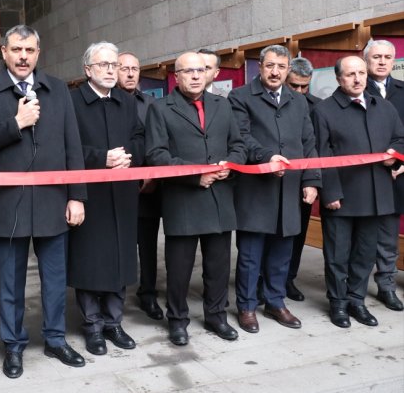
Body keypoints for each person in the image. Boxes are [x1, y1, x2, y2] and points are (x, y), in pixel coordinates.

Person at [0, 25, 86, 378]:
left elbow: (72, 148)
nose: (23, 57)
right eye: (16, 49)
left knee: (54, 277)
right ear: (3, 52)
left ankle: (56, 339)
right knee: (12, 281)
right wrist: (15, 123)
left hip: (52, 201)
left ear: (38, 53)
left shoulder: (58, 89)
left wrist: (77, 196)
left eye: (29, 50)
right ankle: (13, 346)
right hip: (10, 205)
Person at [146, 52, 246, 346]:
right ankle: (177, 320)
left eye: (200, 70)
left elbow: (238, 145)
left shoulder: (222, 105)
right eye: (187, 71)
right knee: (179, 269)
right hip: (183, 200)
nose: (195, 76)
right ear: (176, 77)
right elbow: (156, 155)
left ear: (208, 74)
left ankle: (217, 316)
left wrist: (230, 164)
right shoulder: (161, 108)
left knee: (218, 267)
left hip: (219, 198)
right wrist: (194, 176)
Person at [229, 45, 320, 334]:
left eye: (281, 66)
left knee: (282, 252)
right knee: (251, 254)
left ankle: (275, 301)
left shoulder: (298, 100)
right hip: (256, 189)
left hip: (290, 189)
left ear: (287, 68)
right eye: (270, 66)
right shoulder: (240, 97)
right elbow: (241, 138)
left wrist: (311, 180)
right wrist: (267, 156)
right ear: (260, 66)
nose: (275, 71)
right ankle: (246, 306)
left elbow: (309, 143)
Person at [313, 55, 404, 328]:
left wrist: (395, 156)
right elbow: (321, 154)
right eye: (351, 74)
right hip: (342, 196)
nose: (357, 79)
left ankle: (357, 300)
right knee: (338, 256)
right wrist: (329, 193)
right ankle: (338, 304)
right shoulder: (324, 111)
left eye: (361, 73)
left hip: (377, 195)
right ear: (339, 78)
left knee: (364, 255)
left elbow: (400, 138)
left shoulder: (384, 107)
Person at [68, 42, 144, 355]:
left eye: (114, 65)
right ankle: (93, 326)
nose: (112, 70)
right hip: (90, 195)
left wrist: (130, 157)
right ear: (88, 70)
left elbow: (139, 136)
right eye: (104, 65)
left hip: (122, 194)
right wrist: (102, 158)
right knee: (90, 262)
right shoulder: (72, 102)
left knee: (120, 260)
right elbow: (65, 149)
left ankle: (114, 323)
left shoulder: (126, 102)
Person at [117, 51, 164, 321]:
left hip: (147, 187)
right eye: (125, 68)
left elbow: (157, 141)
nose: (131, 73)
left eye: (135, 68)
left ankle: (148, 293)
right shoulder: (108, 102)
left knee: (147, 244)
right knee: (119, 243)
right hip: (117, 186)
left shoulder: (152, 104)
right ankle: (116, 294)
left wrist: (152, 176)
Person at [364, 39, 404, 312]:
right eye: (376, 56)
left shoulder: (403, 91)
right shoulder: (352, 88)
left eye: (387, 57)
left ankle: (386, 286)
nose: (381, 61)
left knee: (388, 236)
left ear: (393, 61)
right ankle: (352, 286)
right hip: (363, 179)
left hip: (396, 177)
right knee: (362, 236)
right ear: (366, 59)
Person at [283, 57, 322, 302]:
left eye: (303, 87)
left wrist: (313, 180)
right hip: (274, 180)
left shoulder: (316, 107)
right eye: (294, 86)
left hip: (303, 182)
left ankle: (288, 279)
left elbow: (315, 146)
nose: (299, 92)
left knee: (298, 233)